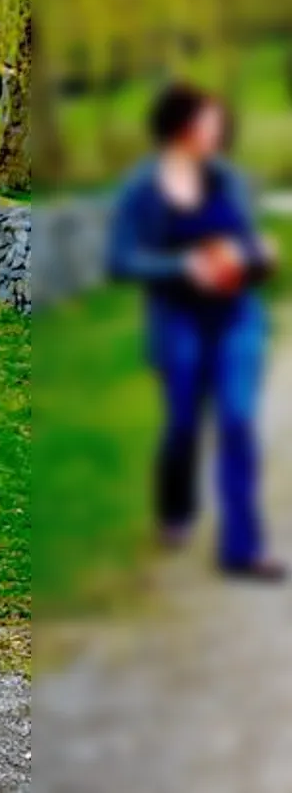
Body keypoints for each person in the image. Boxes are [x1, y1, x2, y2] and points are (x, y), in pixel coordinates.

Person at [107, 82, 282, 581]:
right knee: (183, 424)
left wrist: (256, 256)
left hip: (236, 316)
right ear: (182, 128)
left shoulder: (226, 178)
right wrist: (185, 267)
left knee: (236, 420)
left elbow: (245, 242)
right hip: (178, 319)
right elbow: (122, 260)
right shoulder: (143, 188)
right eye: (208, 122)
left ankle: (243, 546)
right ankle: (174, 507)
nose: (217, 130)